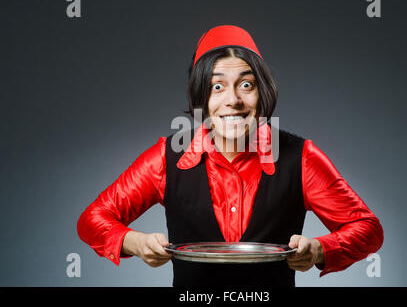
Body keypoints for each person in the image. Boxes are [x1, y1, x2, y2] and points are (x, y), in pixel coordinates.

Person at [77, 25, 383, 287]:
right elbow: (92, 221)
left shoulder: (300, 158)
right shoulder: (166, 159)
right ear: (202, 98)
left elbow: (368, 229)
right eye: (217, 86)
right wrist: (137, 243)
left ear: (261, 92)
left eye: (246, 85)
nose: (233, 100)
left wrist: (318, 250)